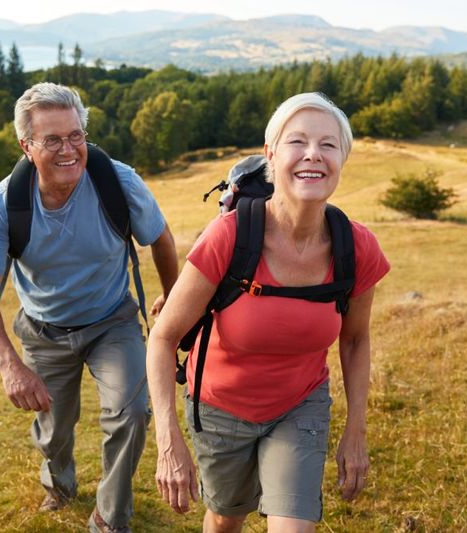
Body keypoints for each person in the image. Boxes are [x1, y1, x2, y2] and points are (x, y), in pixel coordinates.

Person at [145, 92, 389, 532]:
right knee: (225, 519)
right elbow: (162, 338)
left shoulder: (357, 247)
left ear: (342, 159)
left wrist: (356, 429)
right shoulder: (228, 237)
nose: (313, 154)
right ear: (271, 156)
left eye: (328, 145)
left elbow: (354, 339)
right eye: (297, 142)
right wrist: (168, 441)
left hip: (300, 404)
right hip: (220, 407)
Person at [0, 82, 179, 533]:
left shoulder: (117, 181)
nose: (69, 149)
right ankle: (58, 485)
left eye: (76, 136)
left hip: (112, 322)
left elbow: (160, 238)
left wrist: (174, 299)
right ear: (26, 146)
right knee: (53, 430)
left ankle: (109, 515)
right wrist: (10, 366)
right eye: (53, 140)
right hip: (43, 330)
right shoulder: (6, 204)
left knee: (132, 411)